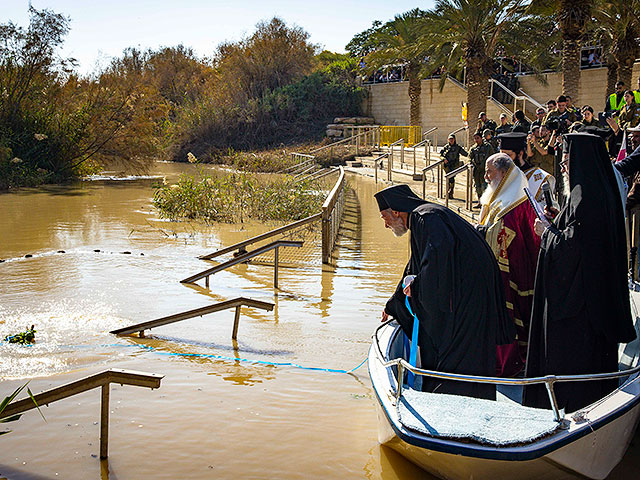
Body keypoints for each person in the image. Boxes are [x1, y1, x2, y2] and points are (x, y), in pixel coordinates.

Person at [525, 133, 636, 412]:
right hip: (596, 300)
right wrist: (558, 218)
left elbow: (571, 250)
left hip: (581, 311)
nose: (563, 169)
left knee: (574, 372)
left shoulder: (585, 196)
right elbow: (579, 234)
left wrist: (546, 232)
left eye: (565, 163)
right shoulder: (596, 189)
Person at [375, 184, 514, 399]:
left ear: (396, 211)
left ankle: (456, 405)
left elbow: (436, 264)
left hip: (470, 294)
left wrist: (418, 287)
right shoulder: (424, 218)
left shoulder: (427, 218)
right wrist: (395, 303)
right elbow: (415, 268)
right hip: (469, 291)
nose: (385, 225)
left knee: (460, 353)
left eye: (384, 217)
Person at [478, 153, 541, 377]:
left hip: (511, 270)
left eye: (490, 172)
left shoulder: (514, 203)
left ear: (504, 174)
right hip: (497, 268)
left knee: (508, 315)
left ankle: (510, 363)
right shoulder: (500, 196)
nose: (485, 177)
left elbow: (505, 235)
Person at [498, 132, 556, 212]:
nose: (504, 160)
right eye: (501, 156)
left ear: (520, 154)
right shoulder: (500, 175)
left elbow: (551, 207)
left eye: (508, 155)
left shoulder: (539, 178)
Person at [469, 131, 494, 205]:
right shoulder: (473, 148)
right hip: (476, 171)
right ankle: (479, 202)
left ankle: (485, 203)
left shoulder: (488, 147)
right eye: (475, 138)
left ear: (481, 138)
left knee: (484, 187)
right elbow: (469, 157)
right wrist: (471, 164)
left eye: (477, 138)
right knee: (477, 187)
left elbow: (492, 156)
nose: (476, 140)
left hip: (485, 171)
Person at [440, 134, 468, 199]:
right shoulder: (446, 147)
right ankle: (448, 192)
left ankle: (451, 192)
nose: (451, 140)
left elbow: (465, 154)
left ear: (454, 139)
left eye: (452, 139)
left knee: (451, 179)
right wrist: (443, 159)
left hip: (454, 166)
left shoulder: (458, 147)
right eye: (450, 139)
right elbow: (441, 155)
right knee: (448, 179)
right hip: (447, 166)